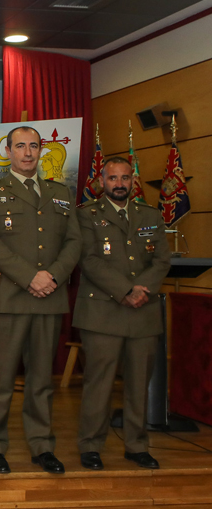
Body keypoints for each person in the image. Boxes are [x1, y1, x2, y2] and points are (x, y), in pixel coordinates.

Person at [0, 126, 81, 475]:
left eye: (34, 146)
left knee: (41, 380)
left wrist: (52, 275)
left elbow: (74, 242)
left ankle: (41, 445)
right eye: (20, 146)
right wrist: (29, 276)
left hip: (49, 297)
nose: (28, 152)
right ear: (7, 151)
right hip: (8, 297)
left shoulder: (60, 192)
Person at [74, 157, 170, 471]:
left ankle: (137, 445)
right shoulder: (87, 215)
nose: (119, 184)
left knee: (139, 384)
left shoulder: (150, 215)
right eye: (113, 178)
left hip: (143, 312)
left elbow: (162, 260)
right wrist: (125, 290)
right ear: (101, 181)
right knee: (98, 384)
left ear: (133, 181)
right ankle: (91, 446)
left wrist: (143, 289)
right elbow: (88, 259)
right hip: (102, 312)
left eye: (125, 178)